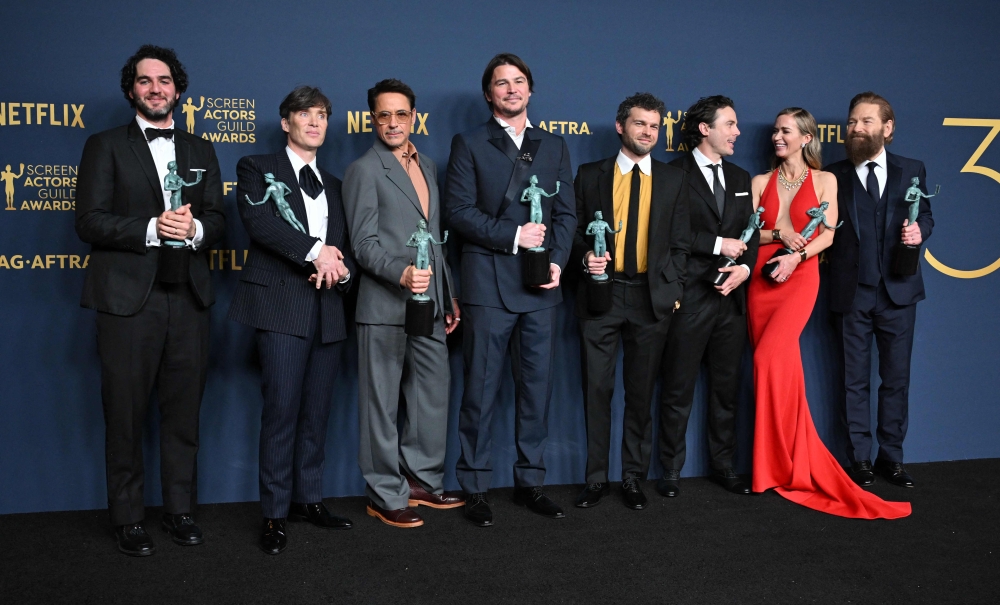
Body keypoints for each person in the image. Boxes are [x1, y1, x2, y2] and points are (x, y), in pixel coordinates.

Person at [75, 45, 226, 556]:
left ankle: (179, 510)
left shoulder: (202, 149)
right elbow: (89, 220)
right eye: (145, 81)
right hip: (127, 301)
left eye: (164, 81)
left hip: (189, 297)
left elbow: (220, 221)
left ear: (178, 90)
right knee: (126, 414)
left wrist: (198, 227)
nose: (155, 89)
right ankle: (128, 516)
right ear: (131, 89)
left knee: (183, 414)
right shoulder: (105, 145)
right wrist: (151, 228)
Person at [746, 107, 910, 519]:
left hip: (799, 279)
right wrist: (778, 236)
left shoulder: (825, 180)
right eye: (775, 132)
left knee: (769, 360)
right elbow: (749, 233)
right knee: (779, 372)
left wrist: (793, 255)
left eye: (785, 131)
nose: (777, 138)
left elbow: (829, 233)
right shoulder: (759, 181)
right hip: (760, 283)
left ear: (806, 137)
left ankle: (779, 465)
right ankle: (776, 467)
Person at [445, 53, 576, 527]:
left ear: (530, 89)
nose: (511, 89)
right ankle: (475, 486)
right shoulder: (469, 142)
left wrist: (559, 260)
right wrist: (515, 236)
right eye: (501, 83)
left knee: (536, 390)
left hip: (542, 287)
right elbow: (458, 212)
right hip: (487, 284)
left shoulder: (555, 145)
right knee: (479, 391)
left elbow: (566, 214)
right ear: (488, 94)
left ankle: (531, 482)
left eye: (519, 81)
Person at [228, 86, 355, 555]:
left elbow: (349, 248)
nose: (315, 122)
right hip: (280, 308)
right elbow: (261, 225)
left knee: (316, 415)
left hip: (328, 311)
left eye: (322, 114)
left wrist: (341, 269)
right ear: (286, 122)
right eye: (305, 114)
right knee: (281, 412)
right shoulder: (257, 168)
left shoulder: (338, 186)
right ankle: (274, 515)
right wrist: (315, 251)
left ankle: (310, 500)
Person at [342, 79, 463, 529]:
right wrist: (402, 273)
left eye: (401, 114)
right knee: (381, 404)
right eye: (383, 115)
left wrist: (446, 294)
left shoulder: (427, 164)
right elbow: (364, 243)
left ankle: (421, 482)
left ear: (414, 117)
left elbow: (433, 238)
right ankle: (384, 493)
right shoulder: (363, 170)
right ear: (373, 119)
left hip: (428, 303)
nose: (393, 123)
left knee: (432, 396)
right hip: (384, 305)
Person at [571, 93, 690, 510]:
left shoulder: (673, 179)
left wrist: (672, 292)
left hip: (649, 298)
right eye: (640, 124)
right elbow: (573, 232)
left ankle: (633, 478)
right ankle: (596, 479)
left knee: (640, 394)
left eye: (655, 126)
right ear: (621, 126)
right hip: (601, 293)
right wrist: (587, 255)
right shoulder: (589, 175)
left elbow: (681, 243)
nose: (648, 133)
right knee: (597, 389)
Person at [826, 92, 934, 489]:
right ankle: (860, 461)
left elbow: (925, 213)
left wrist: (921, 229)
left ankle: (892, 458)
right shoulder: (832, 174)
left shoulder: (912, 168)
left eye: (866, 122)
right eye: (852, 122)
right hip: (850, 293)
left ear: (887, 129)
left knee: (896, 380)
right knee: (852, 381)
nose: (856, 128)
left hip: (899, 293)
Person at [657, 96, 757, 498]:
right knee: (678, 389)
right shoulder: (671, 174)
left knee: (726, 391)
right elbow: (667, 235)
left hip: (731, 301)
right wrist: (719, 245)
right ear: (705, 128)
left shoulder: (740, 177)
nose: (737, 132)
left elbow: (748, 237)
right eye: (729, 124)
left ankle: (724, 466)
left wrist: (743, 269)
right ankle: (669, 471)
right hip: (689, 298)